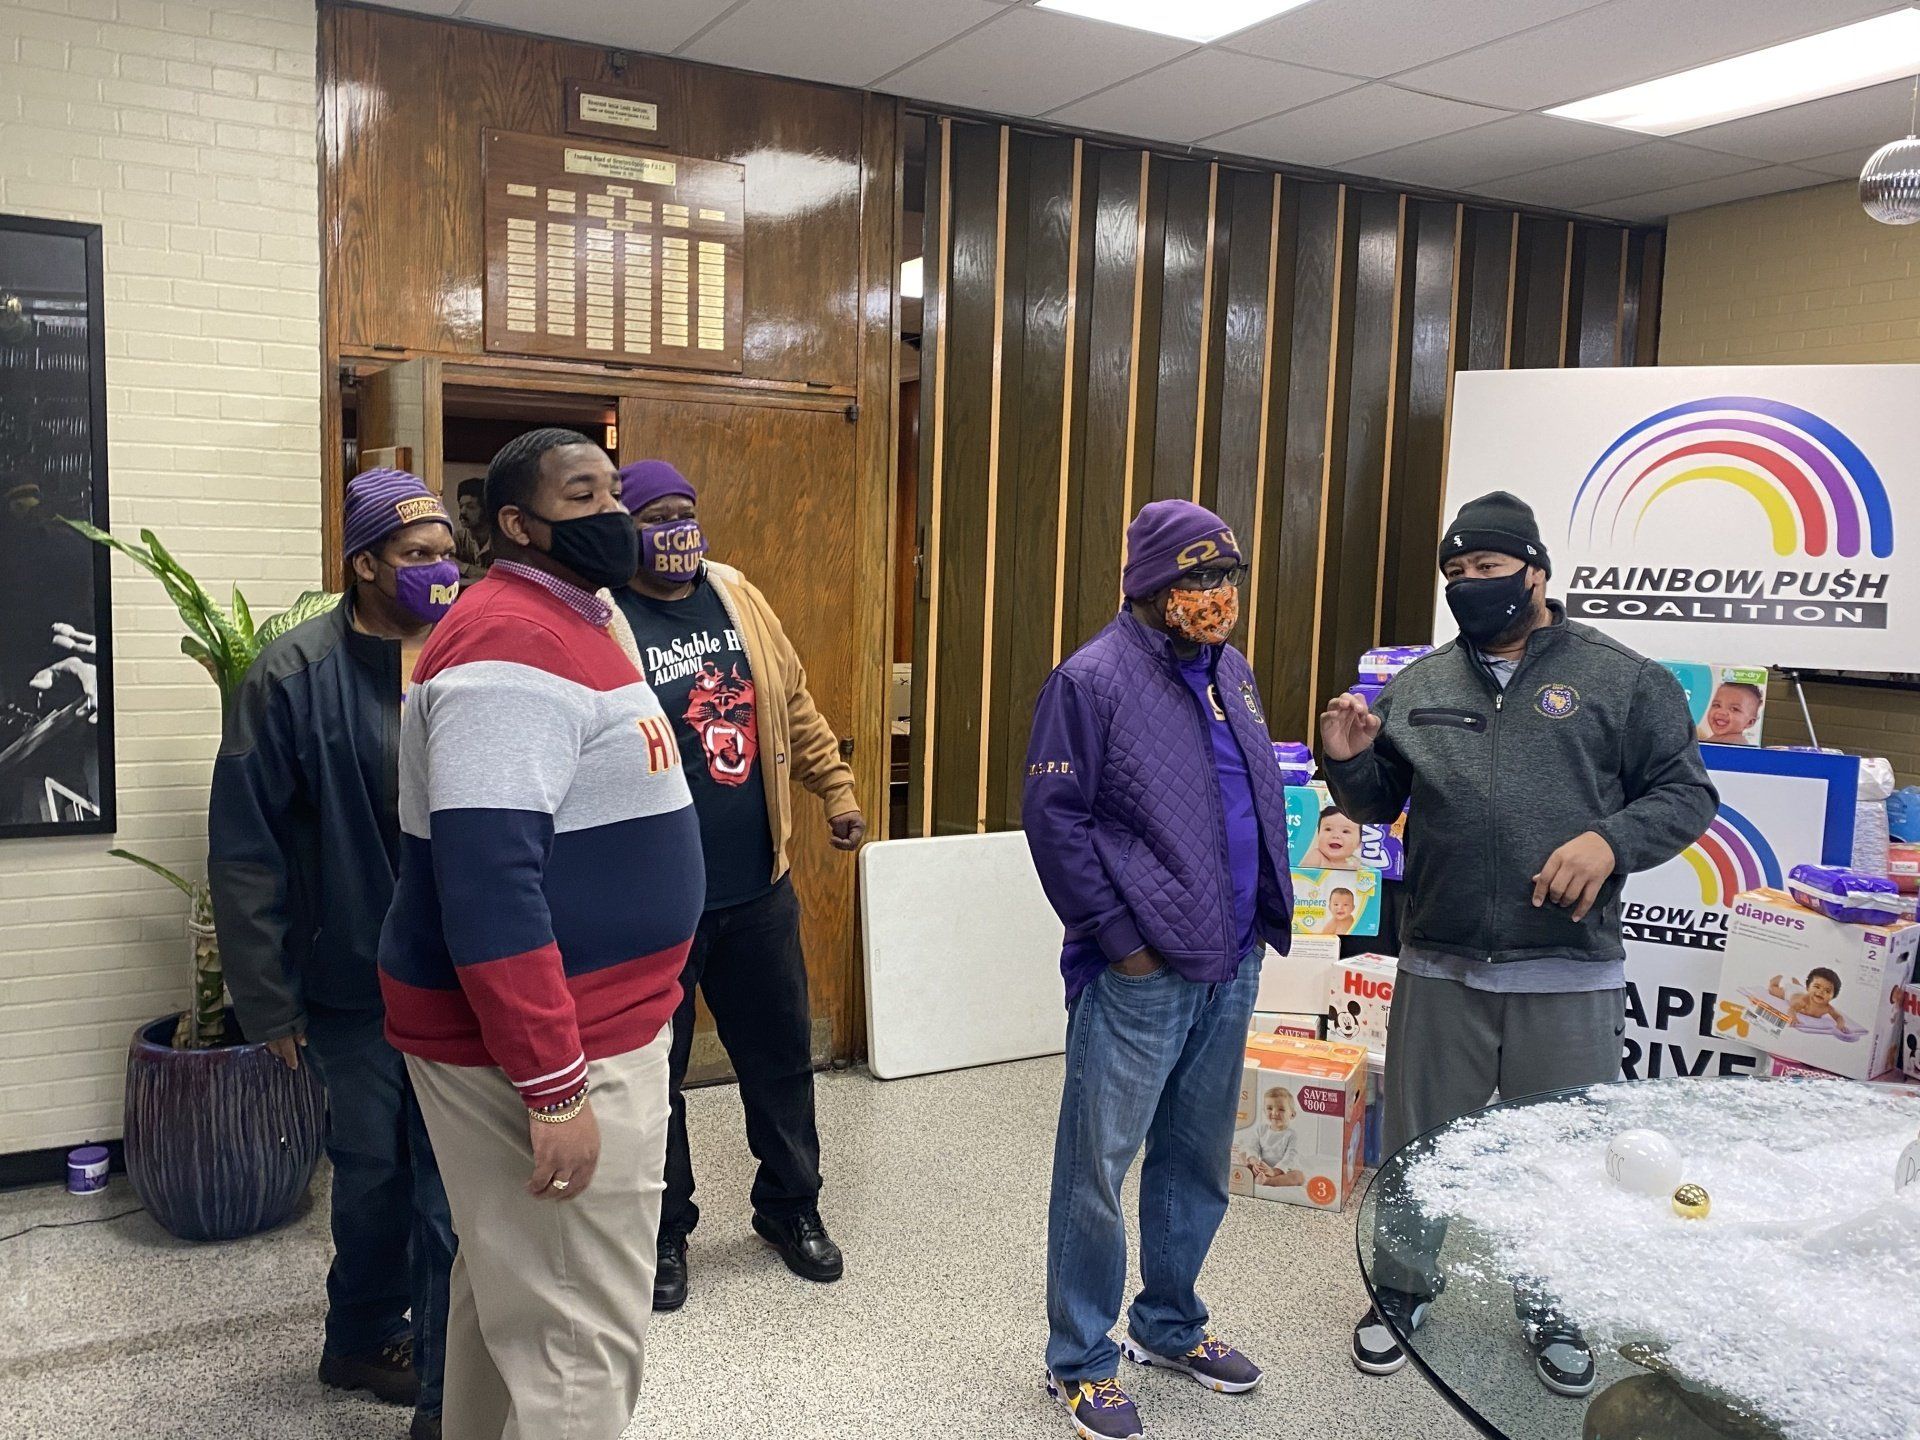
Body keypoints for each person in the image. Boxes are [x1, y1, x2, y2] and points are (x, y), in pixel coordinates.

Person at [1320, 491, 1716, 1398]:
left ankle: (1554, 1308)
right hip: (1441, 958)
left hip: (1568, 968)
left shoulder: (1624, 679)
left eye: (1489, 567)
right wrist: (1347, 760)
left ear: (1536, 571)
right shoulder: (1421, 686)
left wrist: (1610, 842)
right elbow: (1379, 802)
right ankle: (1402, 1290)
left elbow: (1687, 793)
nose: (1470, 584)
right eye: (1456, 572)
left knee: (1561, 1156)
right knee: (1418, 1149)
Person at [377, 429, 703, 1440]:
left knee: (511, 1298)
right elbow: (488, 884)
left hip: (592, 1024)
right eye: (582, 496)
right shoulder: (508, 642)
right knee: (577, 1345)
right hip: (557, 1045)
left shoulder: (574, 619)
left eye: (615, 491)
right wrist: (553, 1084)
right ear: (519, 524)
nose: (613, 514)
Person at [1023, 499, 1295, 1440]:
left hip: (1230, 958)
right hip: (1139, 972)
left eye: (1226, 577)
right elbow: (1055, 823)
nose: (1215, 595)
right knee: (1097, 1169)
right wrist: (1121, 943)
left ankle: (1170, 1325)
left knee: (1194, 1157)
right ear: (1147, 585)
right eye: (1196, 578)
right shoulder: (1089, 680)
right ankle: (1080, 1359)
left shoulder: (1232, 671)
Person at [209, 468, 461, 1440]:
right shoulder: (289, 677)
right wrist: (267, 1002)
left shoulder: (467, 653)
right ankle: (359, 1336)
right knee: (372, 1177)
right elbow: (246, 849)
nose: (440, 570)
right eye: (416, 555)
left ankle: (445, 1373)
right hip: (352, 982)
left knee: (446, 1186)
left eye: (447, 553)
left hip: (459, 977)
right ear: (364, 565)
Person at [610, 459, 863, 1311]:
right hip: (654, 905)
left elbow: (793, 704)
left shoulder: (736, 594)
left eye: (685, 511)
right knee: (657, 1077)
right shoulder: (604, 616)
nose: (676, 530)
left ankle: (791, 1209)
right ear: (625, 530)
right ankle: (664, 1231)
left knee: (781, 1059)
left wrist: (836, 790)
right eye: (656, 517)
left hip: (758, 887)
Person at [1235, 1088, 1304, 1188]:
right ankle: (1254, 1175)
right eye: (1269, 1108)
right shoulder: (1261, 1129)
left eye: (1281, 1109)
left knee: (1298, 1176)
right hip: (1263, 1167)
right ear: (1264, 1111)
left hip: (1282, 1170)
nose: (1274, 1112)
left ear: (1292, 1114)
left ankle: (1267, 1181)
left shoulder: (1291, 1135)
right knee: (1243, 1155)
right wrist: (1255, 1162)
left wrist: (1274, 1171)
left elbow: (1290, 1157)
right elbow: (1253, 1147)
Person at [452, 476, 492, 582]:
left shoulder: (502, 540)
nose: (462, 512)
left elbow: (504, 577)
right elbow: (444, 562)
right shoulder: (459, 538)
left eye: (470, 507)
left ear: (486, 510)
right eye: (461, 506)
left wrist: (463, 567)